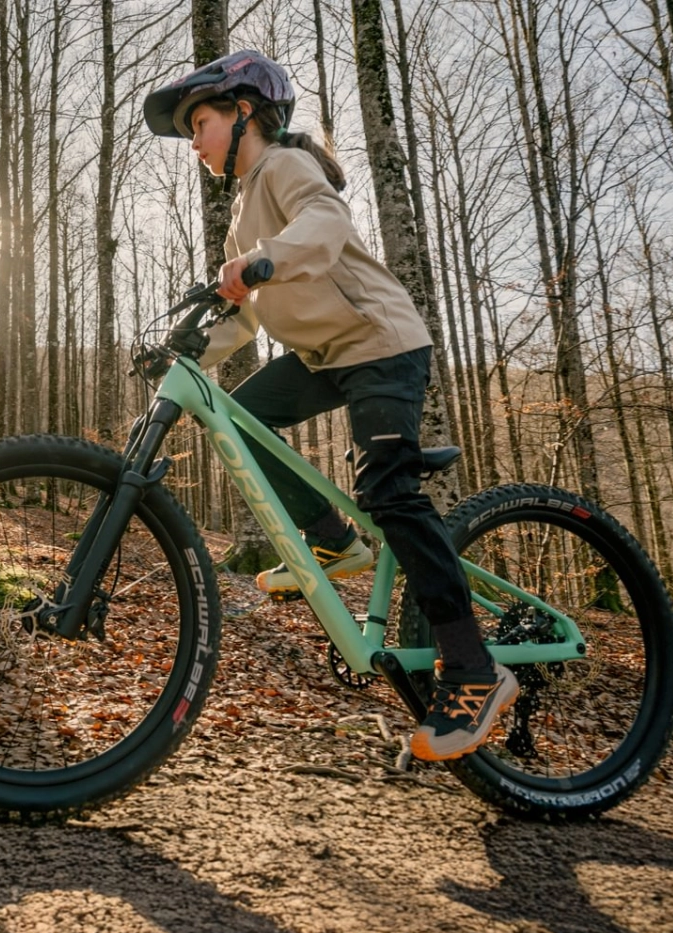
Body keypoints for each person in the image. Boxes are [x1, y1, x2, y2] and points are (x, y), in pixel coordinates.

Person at [143, 50, 517, 762]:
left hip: (379, 343)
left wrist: (260, 263)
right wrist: (186, 352)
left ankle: (474, 665)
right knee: (241, 424)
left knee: (389, 491)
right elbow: (242, 320)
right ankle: (334, 542)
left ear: (245, 113)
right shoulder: (240, 216)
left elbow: (323, 225)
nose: (194, 140)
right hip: (324, 357)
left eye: (201, 121)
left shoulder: (284, 166)